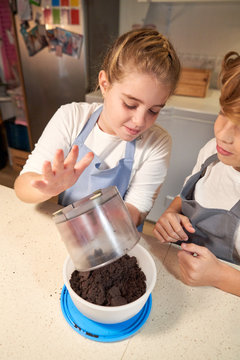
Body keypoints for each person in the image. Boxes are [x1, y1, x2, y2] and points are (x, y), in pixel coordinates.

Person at [14, 28, 181, 227]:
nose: (139, 121)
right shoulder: (72, 117)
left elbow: (137, 209)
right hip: (70, 231)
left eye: (154, 110)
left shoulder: (157, 143)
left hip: (117, 237)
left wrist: (99, 229)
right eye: (130, 104)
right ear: (104, 83)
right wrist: (48, 189)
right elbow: (22, 187)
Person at [154, 51, 240, 297]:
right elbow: (187, 195)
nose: (223, 134)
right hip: (176, 276)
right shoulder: (213, 151)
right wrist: (171, 213)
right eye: (224, 112)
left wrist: (219, 275)